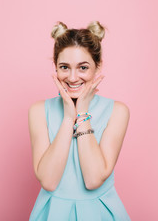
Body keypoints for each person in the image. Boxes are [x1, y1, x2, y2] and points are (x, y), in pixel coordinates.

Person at [28, 21, 131, 220]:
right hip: (52, 213)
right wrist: (69, 117)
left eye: (83, 67)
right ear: (55, 67)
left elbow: (93, 180)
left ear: (97, 66)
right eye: (64, 67)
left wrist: (82, 112)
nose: (73, 77)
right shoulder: (39, 111)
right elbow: (49, 181)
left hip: (99, 213)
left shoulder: (117, 111)